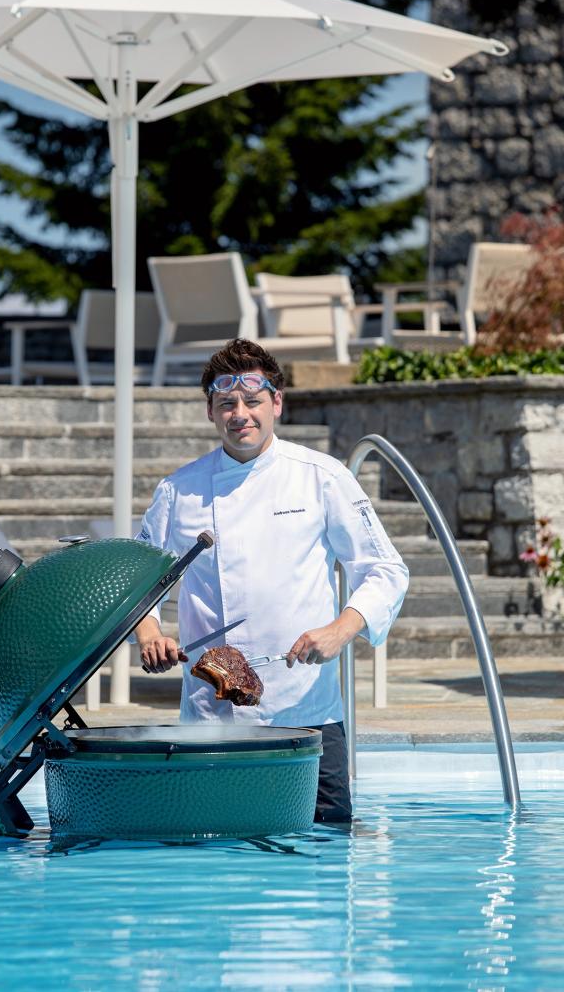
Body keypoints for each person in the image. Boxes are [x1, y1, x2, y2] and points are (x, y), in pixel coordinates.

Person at [134, 338, 408, 823]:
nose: (240, 414)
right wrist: (150, 633)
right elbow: (139, 581)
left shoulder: (323, 477)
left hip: (307, 712)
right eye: (227, 404)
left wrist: (340, 629)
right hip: (211, 718)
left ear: (276, 403)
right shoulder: (178, 490)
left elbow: (385, 569)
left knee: (326, 852)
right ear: (211, 412)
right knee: (213, 851)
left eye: (253, 401)